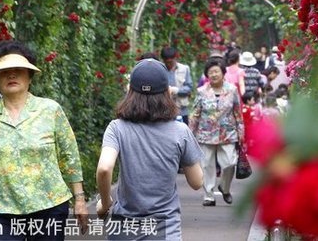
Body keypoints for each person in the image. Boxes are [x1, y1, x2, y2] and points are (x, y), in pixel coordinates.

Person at [0, 41, 88, 240]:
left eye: (18, 70)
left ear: (29, 76)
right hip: (2, 211)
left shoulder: (50, 110)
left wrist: (79, 199)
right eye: (4, 71)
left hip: (49, 206)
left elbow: (69, 156)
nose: (11, 75)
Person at [96, 58, 203, 240]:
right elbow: (196, 182)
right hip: (165, 228)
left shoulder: (117, 128)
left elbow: (104, 168)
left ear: (130, 91)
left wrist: (105, 204)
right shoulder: (180, 131)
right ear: (167, 92)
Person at [189, 58, 243, 207]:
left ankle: (225, 187)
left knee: (230, 163)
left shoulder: (232, 90)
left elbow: (237, 113)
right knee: (206, 165)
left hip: (228, 133)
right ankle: (209, 195)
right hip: (206, 134)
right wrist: (190, 134)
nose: (213, 74)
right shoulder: (201, 92)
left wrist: (241, 132)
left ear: (223, 73)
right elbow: (195, 113)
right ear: (207, 75)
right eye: (210, 72)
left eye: (216, 71)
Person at [160, 47, 193, 123]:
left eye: (171, 62)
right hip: (164, 110)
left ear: (175, 58)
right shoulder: (160, 70)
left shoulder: (184, 69)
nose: (169, 64)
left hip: (181, 110)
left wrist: (176, 90)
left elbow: (189, 87)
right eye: (166, 62)